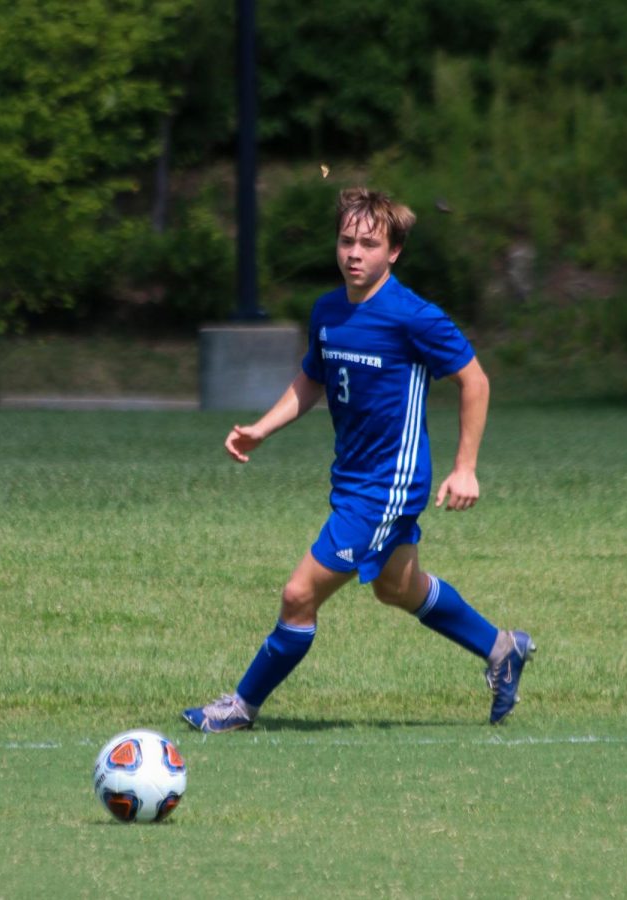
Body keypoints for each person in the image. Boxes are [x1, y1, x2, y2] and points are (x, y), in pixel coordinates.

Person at [183, 187, 534, 732]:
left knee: (298, 594)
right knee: (397, 587)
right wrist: (262, 429)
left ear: (393, 252)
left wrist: (465, 467)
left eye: (369, 244)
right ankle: (501, 648)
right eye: (346, 240)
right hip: (351, 480)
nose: (354, 253)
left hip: (387, 486)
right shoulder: (327, 311)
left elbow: (475, 381)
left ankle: (240, 706)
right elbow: (313, 379)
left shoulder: (415, 317)